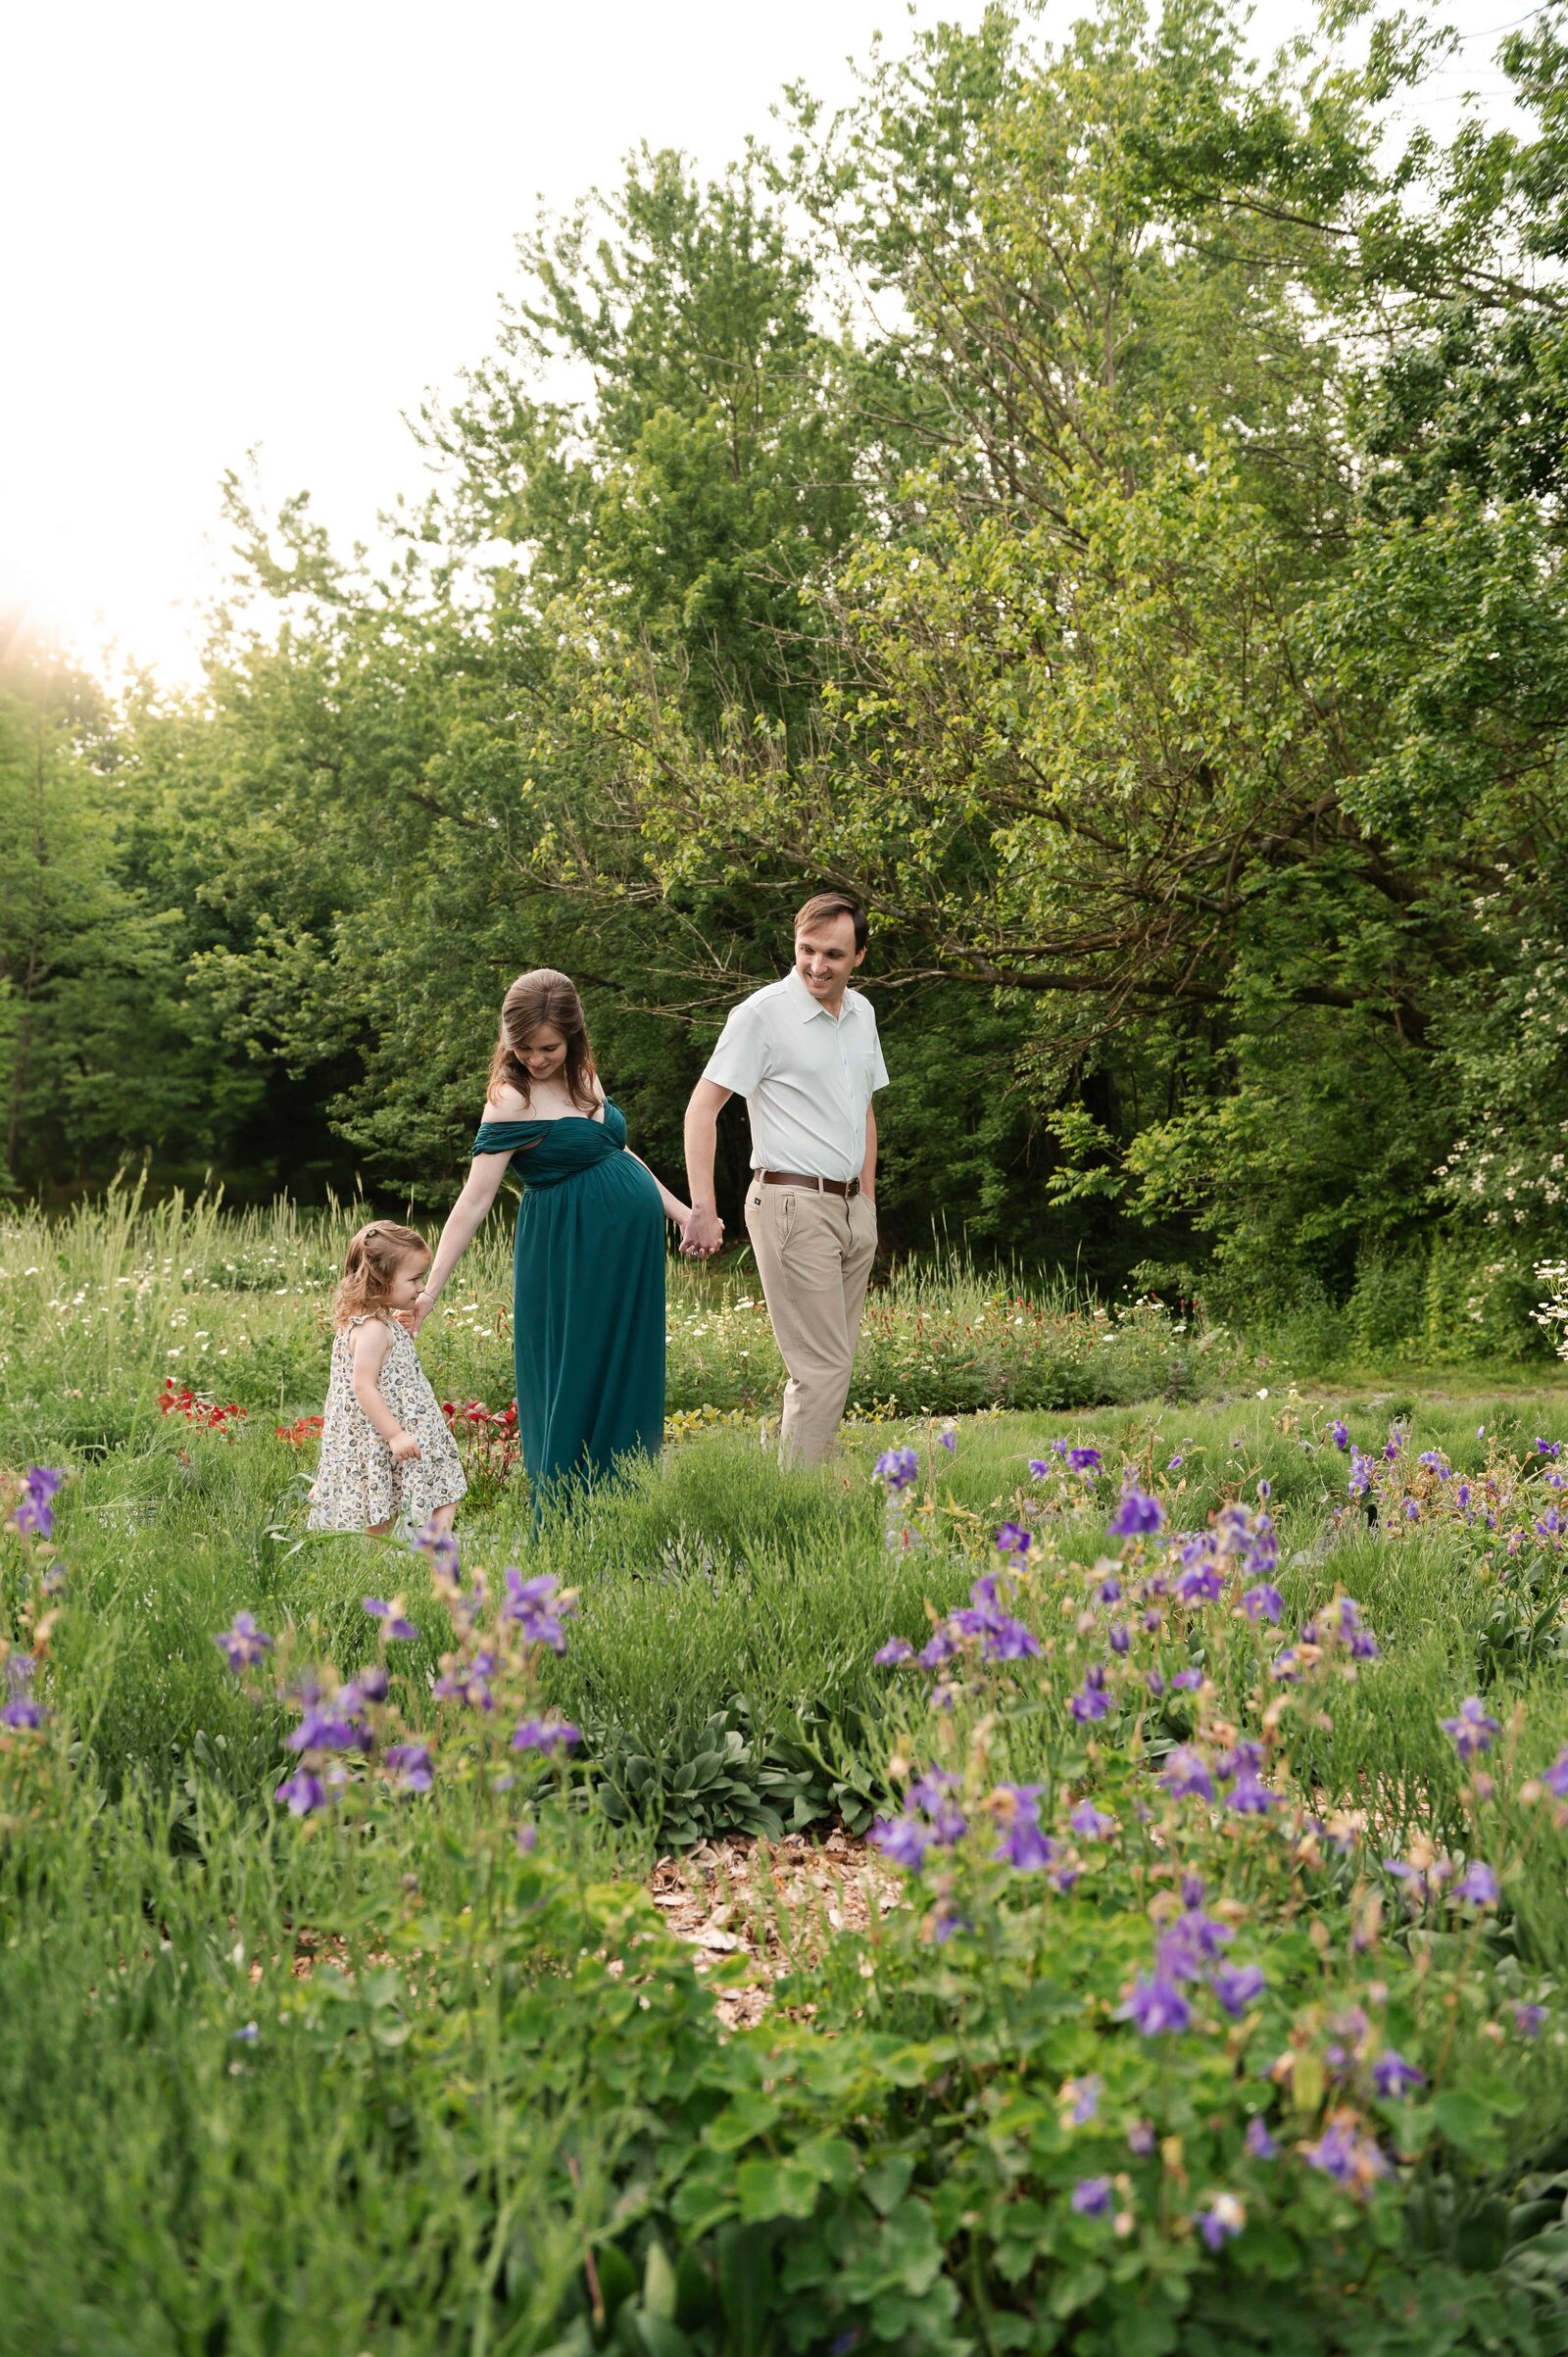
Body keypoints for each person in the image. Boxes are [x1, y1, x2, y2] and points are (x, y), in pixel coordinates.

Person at [406, 969, 692, 1501]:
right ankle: (568, 1511)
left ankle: (624, 1503)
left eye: (549, 1048)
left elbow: (617, 1151)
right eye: (525, 1047)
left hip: (628, 1254)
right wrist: (429, 1291)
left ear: (574, 1036)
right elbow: (475, 1199)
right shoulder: (510, 1097)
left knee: (625, 1368)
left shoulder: (583, 1078)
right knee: (575, 1371)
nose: (537, 1059)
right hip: (569, 1253)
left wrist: (682, 1214)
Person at [682, 892, 887, 1466]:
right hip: (790, 1202)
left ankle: (797, 1482)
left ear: (859, 957)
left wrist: (866, 1201)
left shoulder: (862, 1014)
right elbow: (702, 1110)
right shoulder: (761, 1015)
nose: (817, 965)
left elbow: (864, 1109)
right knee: (821, 1366)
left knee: (831, 1362)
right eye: (806, 950)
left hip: (850, 1208)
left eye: (833, 954)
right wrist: (703, 1206)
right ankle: (803, 1502)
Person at [308, 1220, 466, 1536]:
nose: (422, 1288)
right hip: (388, 1431)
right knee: (394, 1503)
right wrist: (395, 1435)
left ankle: (431, 1550)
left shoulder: (376, 1321)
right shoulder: (373, 1331)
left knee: (434, 1488)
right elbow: (362, 1386)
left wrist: (393, 1321)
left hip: (401, 1426)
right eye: (415, 1279)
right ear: (379, 1282)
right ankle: (429, 1554)